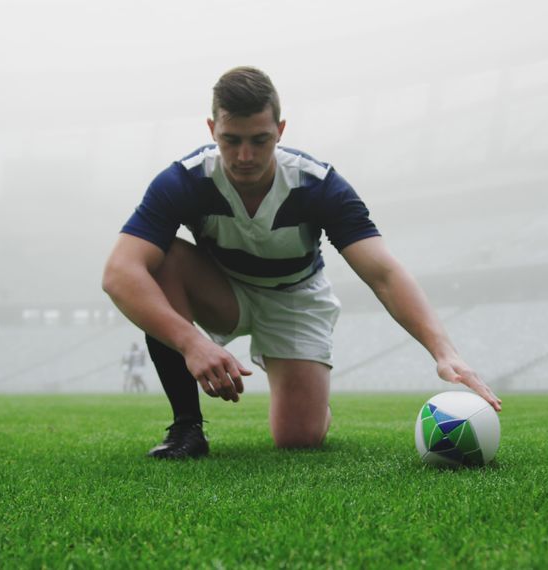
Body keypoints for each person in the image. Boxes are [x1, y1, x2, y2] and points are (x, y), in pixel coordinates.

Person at [102, 66, 501, 460]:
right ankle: (186, 428)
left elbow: (383, 274)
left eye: (260, 140)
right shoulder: (183, 181)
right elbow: (119, 273)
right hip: (223, 290)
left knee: (298, 438)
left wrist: (443, 351)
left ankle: (311, 397)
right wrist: (192, 343)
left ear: (281, 130)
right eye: (230, 140)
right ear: (211, 130)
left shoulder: (318, 185)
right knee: (157, 258)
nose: (244, 156)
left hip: (295, 295)